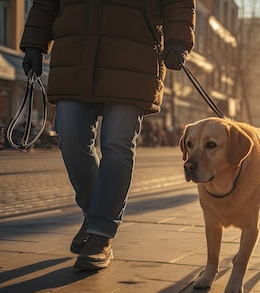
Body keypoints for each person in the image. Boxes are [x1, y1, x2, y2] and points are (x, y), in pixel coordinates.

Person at [20, 0, 195, 270]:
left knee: (117, 144)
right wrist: (34, 42)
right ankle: (95, 216)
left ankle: (101, 234)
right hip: (74, 54)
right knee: (70, 135)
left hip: (133, 55)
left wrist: (179, 40)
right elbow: (45, 3)